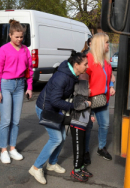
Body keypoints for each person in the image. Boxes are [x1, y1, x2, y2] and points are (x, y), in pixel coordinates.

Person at [29, 51, 88, 185]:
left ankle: (52, 163)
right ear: (76, 64)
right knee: (56, 138)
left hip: (54, 109)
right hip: (46, 109)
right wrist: (74, 106)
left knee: (61, 137)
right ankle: (36, 167)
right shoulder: (62, 77)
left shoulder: (72, 74)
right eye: (85, 64)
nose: (87, 66)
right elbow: (55, 101)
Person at [0, 19, 33, 164]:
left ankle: (12, 148)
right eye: (17, 37)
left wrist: (29, 87)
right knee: (6, 120)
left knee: (15, 121)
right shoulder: (3, 49)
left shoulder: (25, 50)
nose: (19, 39)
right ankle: (3, 150)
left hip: (20, 85)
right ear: (10, 35)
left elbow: (29, 70)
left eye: (21, 37)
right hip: (6, 85)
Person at [84, 32, 115, 162]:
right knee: (88, 126)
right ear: (100, 44)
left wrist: (112, 85)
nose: (109, 44)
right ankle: (84, 151)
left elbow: (110, 75)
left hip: (103, 99)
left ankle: (101, 148)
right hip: (90, 100)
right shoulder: (87, 59)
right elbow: (82, 80)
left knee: (105, 125)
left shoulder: (105, 60)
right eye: (107, 42)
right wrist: (86, 95)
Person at [70, 73, 95, 182]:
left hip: (83, 125)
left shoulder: (85, 96)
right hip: (77, 125)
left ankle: (80, 167)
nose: (90, 88)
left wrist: (91, 114)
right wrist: (88, 104)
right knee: (78, 149)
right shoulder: (78, 95)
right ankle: (75, 170)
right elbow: (77, 106)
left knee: (83, 147)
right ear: (83, 86)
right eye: (88, 86)